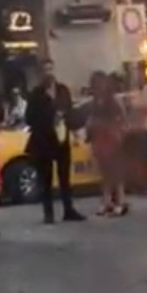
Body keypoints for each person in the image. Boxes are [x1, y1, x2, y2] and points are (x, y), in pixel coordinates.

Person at [26, 59, 85, 224]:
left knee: (65, 177)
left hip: (61, 139)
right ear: (41, 73)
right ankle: (48, 213)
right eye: (45, 70)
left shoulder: (62, 90)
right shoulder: (36, 94)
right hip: (43, 141)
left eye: (51, 69)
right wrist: (49, 118)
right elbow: (29, 118)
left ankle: (69, 210)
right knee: (46, 179)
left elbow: (71, 111)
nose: (49, 73)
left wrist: (72, 127)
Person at [87, 72, 128, 217]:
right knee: (104, 174)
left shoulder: (113, 102)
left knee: (116, 173)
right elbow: (91, 121)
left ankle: (120, 202)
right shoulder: (94, 103)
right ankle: (106, 201)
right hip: (100, 141)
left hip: (112, 140)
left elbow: (121, 120)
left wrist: (117, 132)